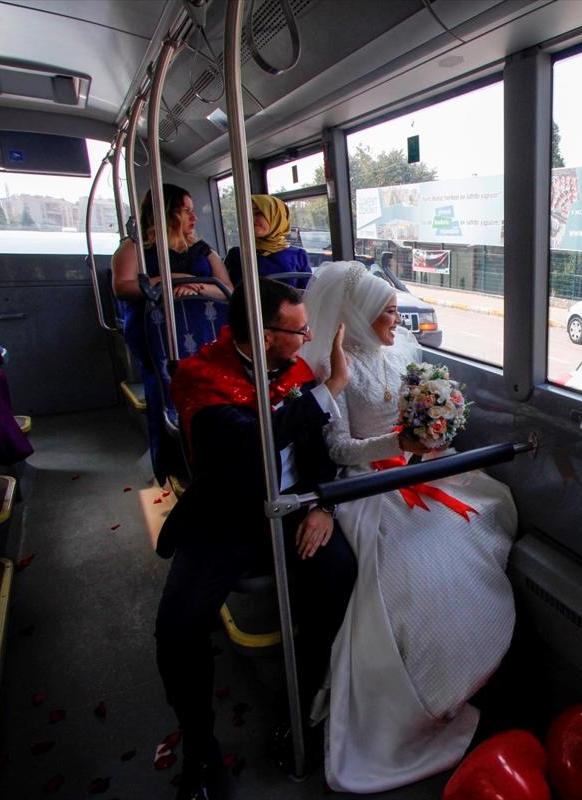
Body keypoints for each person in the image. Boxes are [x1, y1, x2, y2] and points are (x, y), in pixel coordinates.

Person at [300, 261, 518, 793]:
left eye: (397, 310)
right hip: (368, 482)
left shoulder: (405, 349)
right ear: (356, 314)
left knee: (485, 511)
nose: (397, 320)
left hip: (419, 466)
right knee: (414, 573)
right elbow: (336, 447)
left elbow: (423, 404)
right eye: (387, 313)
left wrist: (435, 429)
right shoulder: (337, 367)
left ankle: (468, 674)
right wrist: (398, 446)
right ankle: (423, 698)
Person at [154, 278, 356, 800]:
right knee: (178, 627)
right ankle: (199, 748)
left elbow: (319, 450)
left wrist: (321, 504)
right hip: (228, 514)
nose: (308, 336)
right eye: (300, 329)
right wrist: (330, 388)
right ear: (267, 335)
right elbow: (248, 447)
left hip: (293, 507)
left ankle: (305, 705)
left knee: (337, 573)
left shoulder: (295, 372)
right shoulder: (202, 377)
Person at [111, 184, 233, 483]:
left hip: (205, 329)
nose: (193, 217)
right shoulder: (135, 247)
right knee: (165, 389)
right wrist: (170, 281)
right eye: (186, 210)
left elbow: (226, 288)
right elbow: (123, 286)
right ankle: (174, 464)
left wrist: (197, 286)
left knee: (209, 389)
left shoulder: (203, 249)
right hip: (157, 332)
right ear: (167, 213)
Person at [224, 194, 312, 289]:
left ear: (276, 217)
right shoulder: (237, 255)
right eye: (249, 214)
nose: (252, 219)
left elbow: (307, 294)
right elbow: (227, 293)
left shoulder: (298, 255)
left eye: (258, 213)